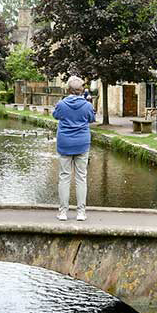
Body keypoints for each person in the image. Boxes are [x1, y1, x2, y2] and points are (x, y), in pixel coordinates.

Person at [53, 76, 96, 221]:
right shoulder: (87, 105)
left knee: (64, 177)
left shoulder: (61, 104)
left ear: (68, 90)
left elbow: (55, 115)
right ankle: (81, 213)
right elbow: (91, 119)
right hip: (82, 143)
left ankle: (63, 212)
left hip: (64, 143)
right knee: (81, 177)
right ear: (81, 90)